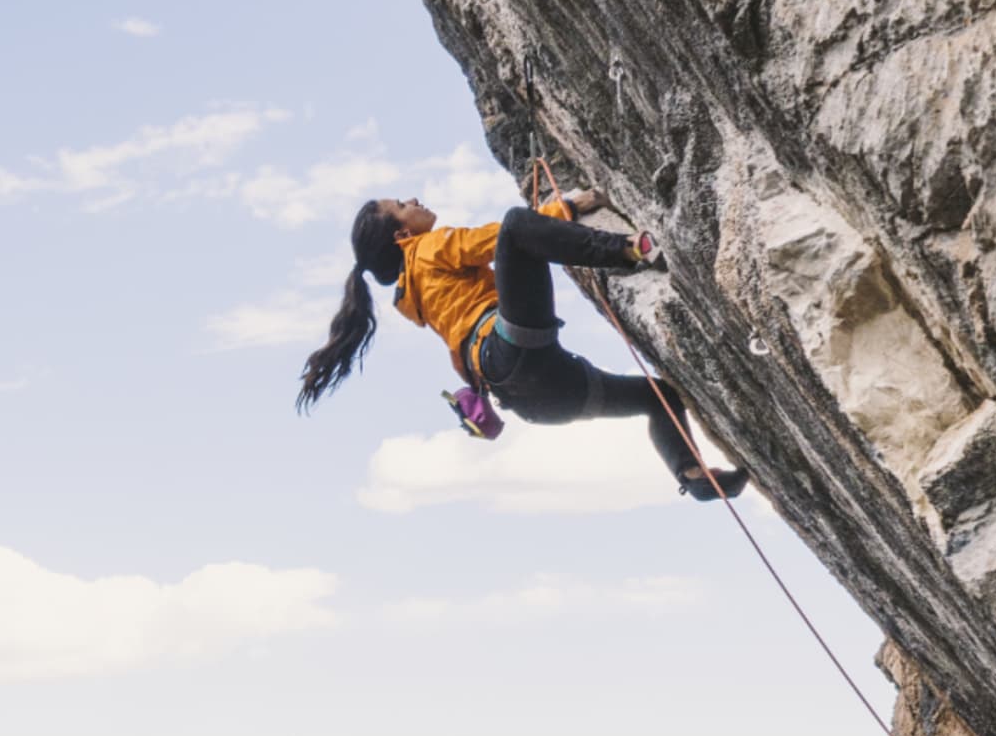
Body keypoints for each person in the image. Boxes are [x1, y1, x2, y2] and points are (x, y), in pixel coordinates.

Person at [297, 190, 750, 502]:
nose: (413, 201)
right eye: (402, 205)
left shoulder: (416, 301)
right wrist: (568, 205)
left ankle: (692, 475)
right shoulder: (427, 249)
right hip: (514, 349)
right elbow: (498, 239)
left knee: (660, 397)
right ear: (402, 236)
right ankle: (631, 250)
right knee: (516, 224)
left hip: (535, 400)